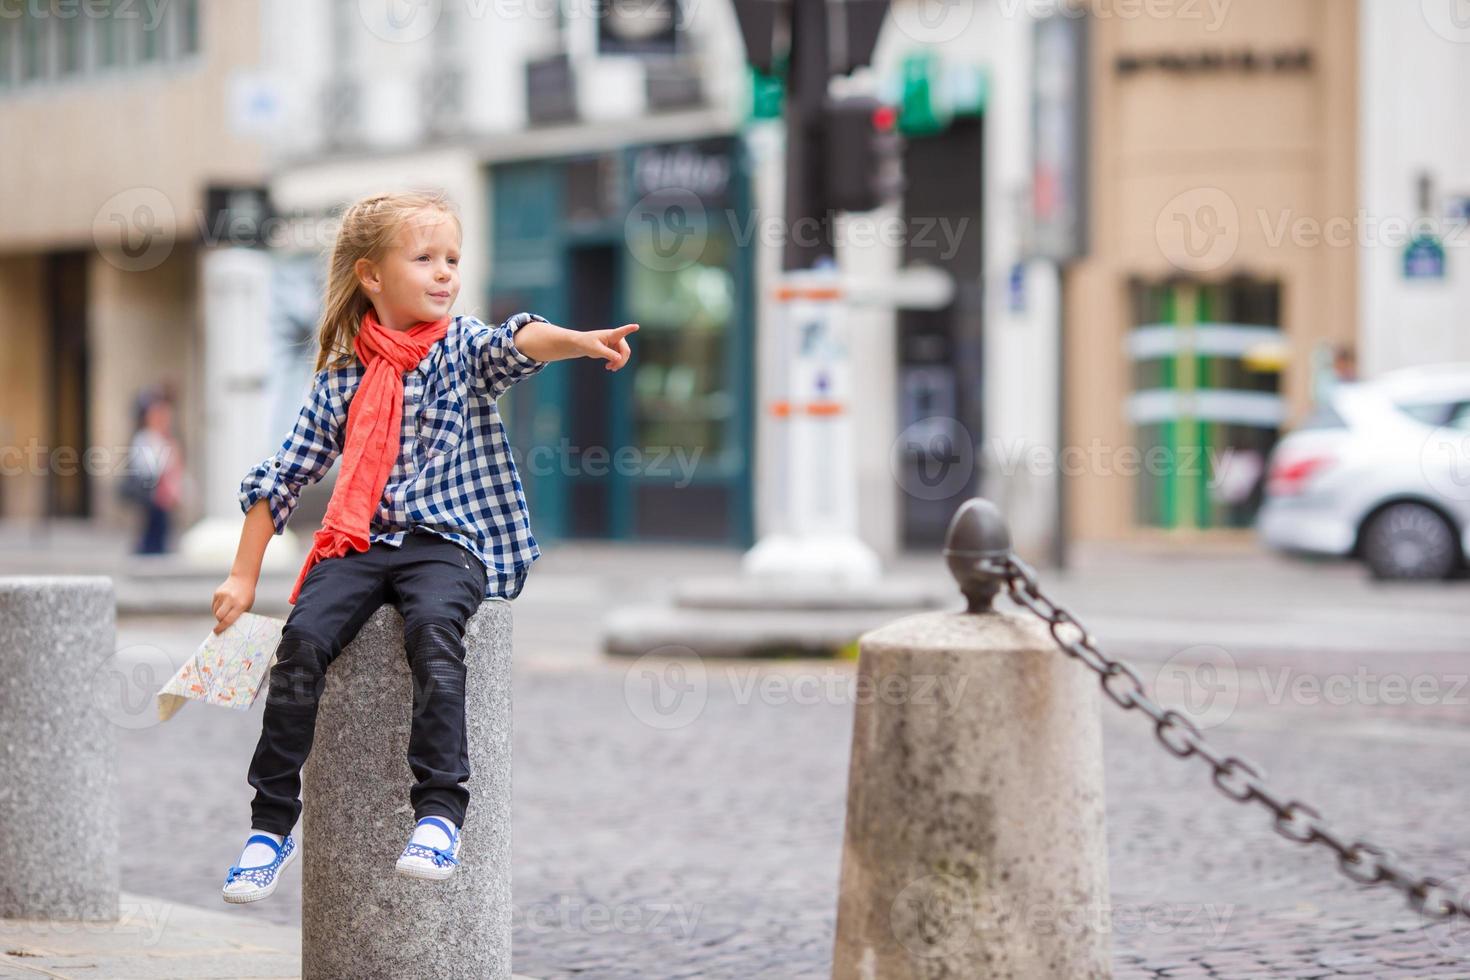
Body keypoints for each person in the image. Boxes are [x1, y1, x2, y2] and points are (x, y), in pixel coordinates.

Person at [210, 189, 638, 903]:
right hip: (360, 540)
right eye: (425, 259)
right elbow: (284, 475)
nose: (445, 273)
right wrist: (241, 578)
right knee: (304, 642)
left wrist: (578, 341)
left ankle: (440, 814)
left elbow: (516, 341)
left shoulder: (461, 348)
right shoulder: (343, 376)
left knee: (434, 631)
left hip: (450, 539)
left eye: (452, 259)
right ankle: (270, 824)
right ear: (372, 276)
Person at [126, 391, 187, 555]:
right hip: (150, 488)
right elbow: (149, 465)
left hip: (162, 490)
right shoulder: (145, 437)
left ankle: (153, 551)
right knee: (152, 524)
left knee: (160, 525)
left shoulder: (164, 438)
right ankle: (147, 551)